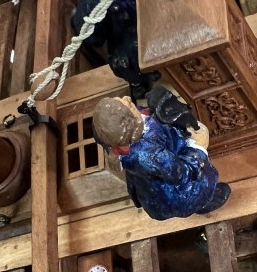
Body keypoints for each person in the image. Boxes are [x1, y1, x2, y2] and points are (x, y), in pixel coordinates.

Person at [92, 89, 231, 221]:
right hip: (173, 190)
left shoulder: (121, 134)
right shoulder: (148, 155)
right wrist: (198, 147)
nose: (127, 98)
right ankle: (203, 203)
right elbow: (181, 172)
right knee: (197, 187)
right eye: (128, 105)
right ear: (130, 127)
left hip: (154, 172)